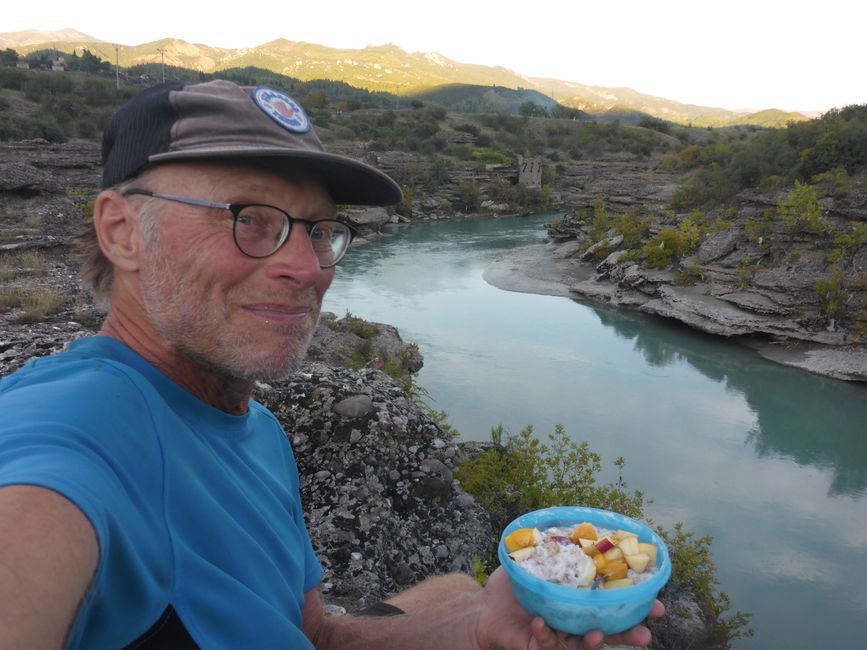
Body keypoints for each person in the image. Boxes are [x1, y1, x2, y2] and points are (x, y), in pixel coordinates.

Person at [0, 79, 663, 649]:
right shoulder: (74, 432)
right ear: (121, 231)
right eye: (250, 219)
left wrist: (481, 625)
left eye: (318, 229)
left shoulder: (255, 430)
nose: (307, 266)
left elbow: (312, 634)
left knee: (458, 588)